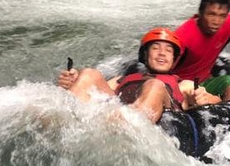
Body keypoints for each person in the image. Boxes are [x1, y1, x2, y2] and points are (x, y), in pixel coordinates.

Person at [57, 28, 219, 124]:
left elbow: (217, 101)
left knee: (155, 85)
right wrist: (73, 81)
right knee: (89, 74)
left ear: (174, 59)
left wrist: (204, 98)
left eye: (168, 50)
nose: (162, 53)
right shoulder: (121, 80)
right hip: (111, 115)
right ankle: (61, 119)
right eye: (155, 48)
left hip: (136, 128)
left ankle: (122, 127)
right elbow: (94, 91)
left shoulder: (184, 84)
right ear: (145, 55)